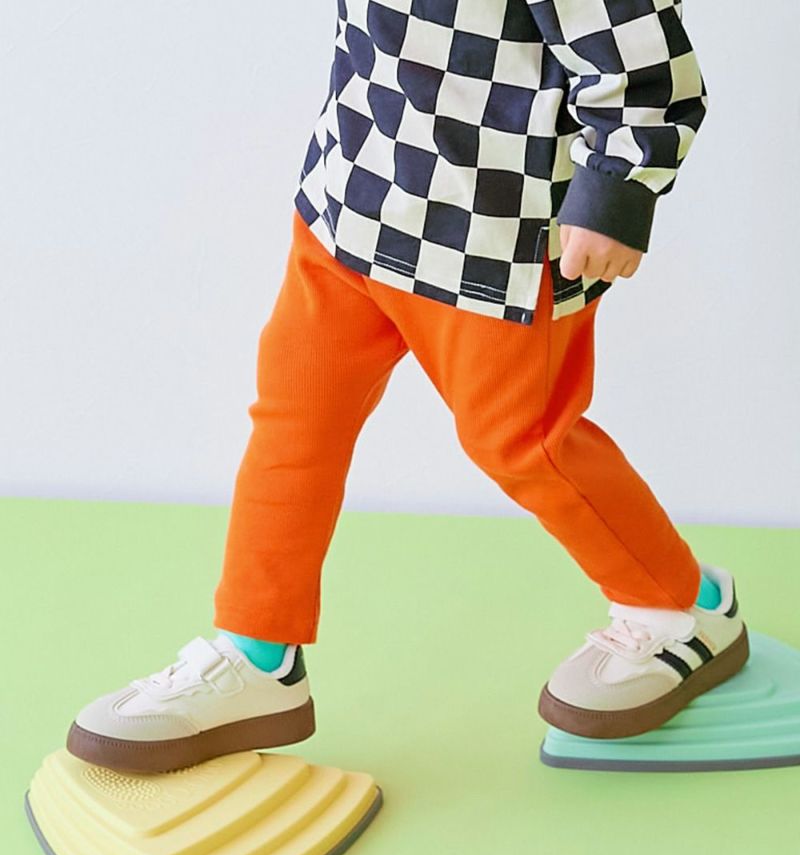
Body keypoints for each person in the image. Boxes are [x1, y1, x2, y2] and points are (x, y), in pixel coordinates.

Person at [66, 0, 749, 772]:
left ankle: (683, 605)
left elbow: (645, 62)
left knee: (524, 444)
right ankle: (258, 655)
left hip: (492, 233)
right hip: (354, 197)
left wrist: (616, 191)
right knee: (296, 417)